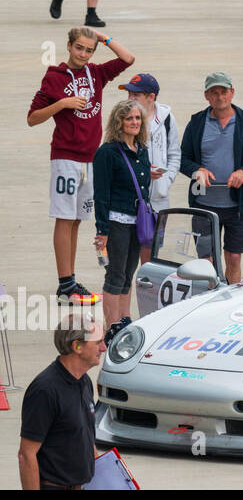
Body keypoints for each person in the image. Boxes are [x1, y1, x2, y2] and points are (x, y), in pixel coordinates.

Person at [28, 27, 134, 299]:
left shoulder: (96, 73)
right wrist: (62, 103)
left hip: (90, 158)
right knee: (64, 219)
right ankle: (65, 284)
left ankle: (70, 283)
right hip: (66, 157)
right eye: (79, 48)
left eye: (89, 49)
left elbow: (128, 59)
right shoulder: (54, 76)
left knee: (76, 220)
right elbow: (33, 117)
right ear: (69, 46)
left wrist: (104, 38)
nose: (84, 54)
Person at [180, 72, 243, 285]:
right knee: (207, 261)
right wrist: (197, 171)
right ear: (206, 96)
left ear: (232, 93)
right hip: (204, 205)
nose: (219, 97)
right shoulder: (197, 123)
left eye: (223, 91)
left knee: (233, 257)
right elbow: (182, 159)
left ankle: (230, 296)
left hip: (239, 206)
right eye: (214, 92)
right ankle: (209, 300)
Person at [18, 308, 104, 490]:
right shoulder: (45, 390)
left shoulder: (84, 381)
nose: (103, 348)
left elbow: (85, 435)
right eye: (98, 342)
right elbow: (26, 454)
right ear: (77, 347)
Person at [91, 99, 150, 330]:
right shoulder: (107, 153)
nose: (134, 122)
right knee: (115, 275)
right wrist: (102, 230)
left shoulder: (141, 150)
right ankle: (112, 324)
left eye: (137, 118)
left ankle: (125, 319)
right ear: (119, 122)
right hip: (117, 221)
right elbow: (101, 194)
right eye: (129, 118)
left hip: (137, 222)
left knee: (128, 273)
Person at [118, 73, 178, 268]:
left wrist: (164, 182)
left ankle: (146, 295)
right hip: (130, 199)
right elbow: (117, 157)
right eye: (129, 93)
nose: (130, 98)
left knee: (151, 256)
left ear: (151, 97)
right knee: (127, 258)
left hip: (158, 201)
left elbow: (174, 154)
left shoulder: (168, 119)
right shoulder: (124, 119)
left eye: (135, 95)